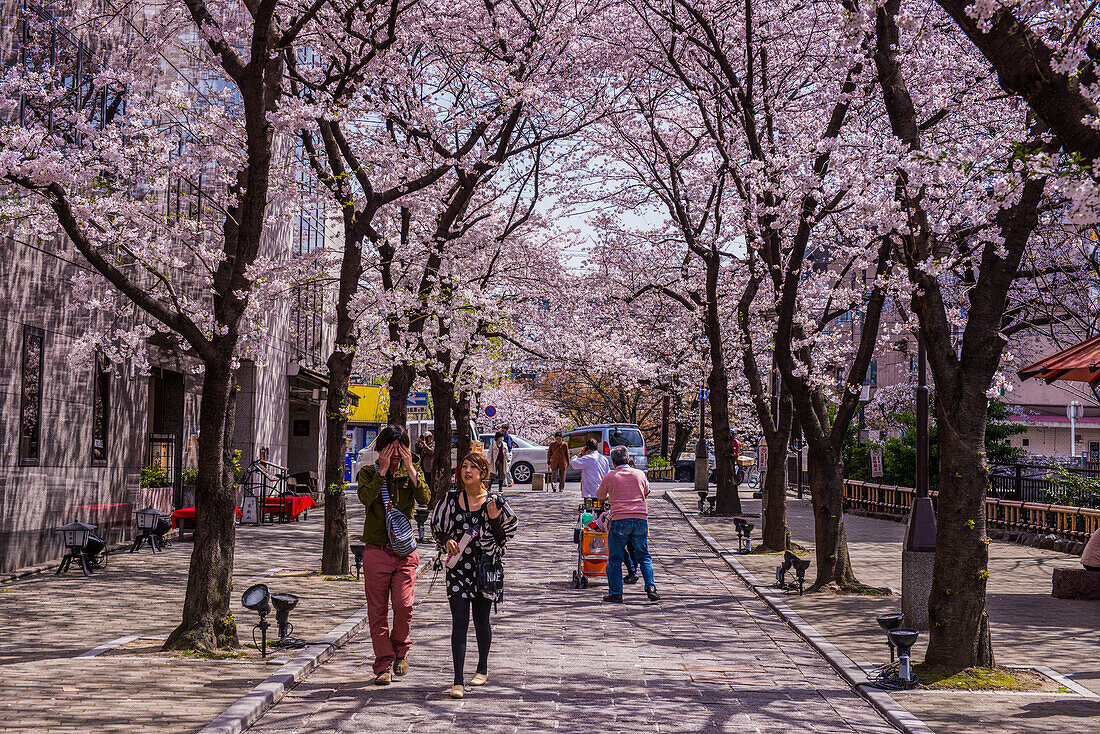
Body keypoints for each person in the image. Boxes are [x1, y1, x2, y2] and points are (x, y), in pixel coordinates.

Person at [432, 452, 518, 699]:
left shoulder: (495, 502)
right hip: (458, 570)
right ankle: (457, 680)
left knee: (481, 621)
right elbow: (437, 529)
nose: (467, 470)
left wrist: (493, 520)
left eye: (473, 467)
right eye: (464, 466)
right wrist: (447, 540)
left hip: (485, 570)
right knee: (459, 622)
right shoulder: (449, 500)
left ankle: (482, 667)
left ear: (483, 473)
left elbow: (505, 538)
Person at [357, 424, 431, 685]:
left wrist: (411, 470)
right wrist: (383, 471)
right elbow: (366, 499)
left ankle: (401, 650)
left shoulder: (413, 472)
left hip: (403, 553)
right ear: (380, 450)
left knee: (403, 604)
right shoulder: (368, 472)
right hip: (376, 550)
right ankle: (383, 664)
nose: (396, 455)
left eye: (401, 450)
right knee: (377, 612)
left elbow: (425, 498)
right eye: (391, 450)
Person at [596, 445, 659, 603]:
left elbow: (600, 495)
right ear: (627, 457)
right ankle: (651, 587)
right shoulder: (639, 474)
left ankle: (616, 593)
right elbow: (646, 491)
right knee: (644, 556)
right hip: (640, 518)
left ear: (613, 461)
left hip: (620, 519)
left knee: (615, 559)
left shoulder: (611, 476)